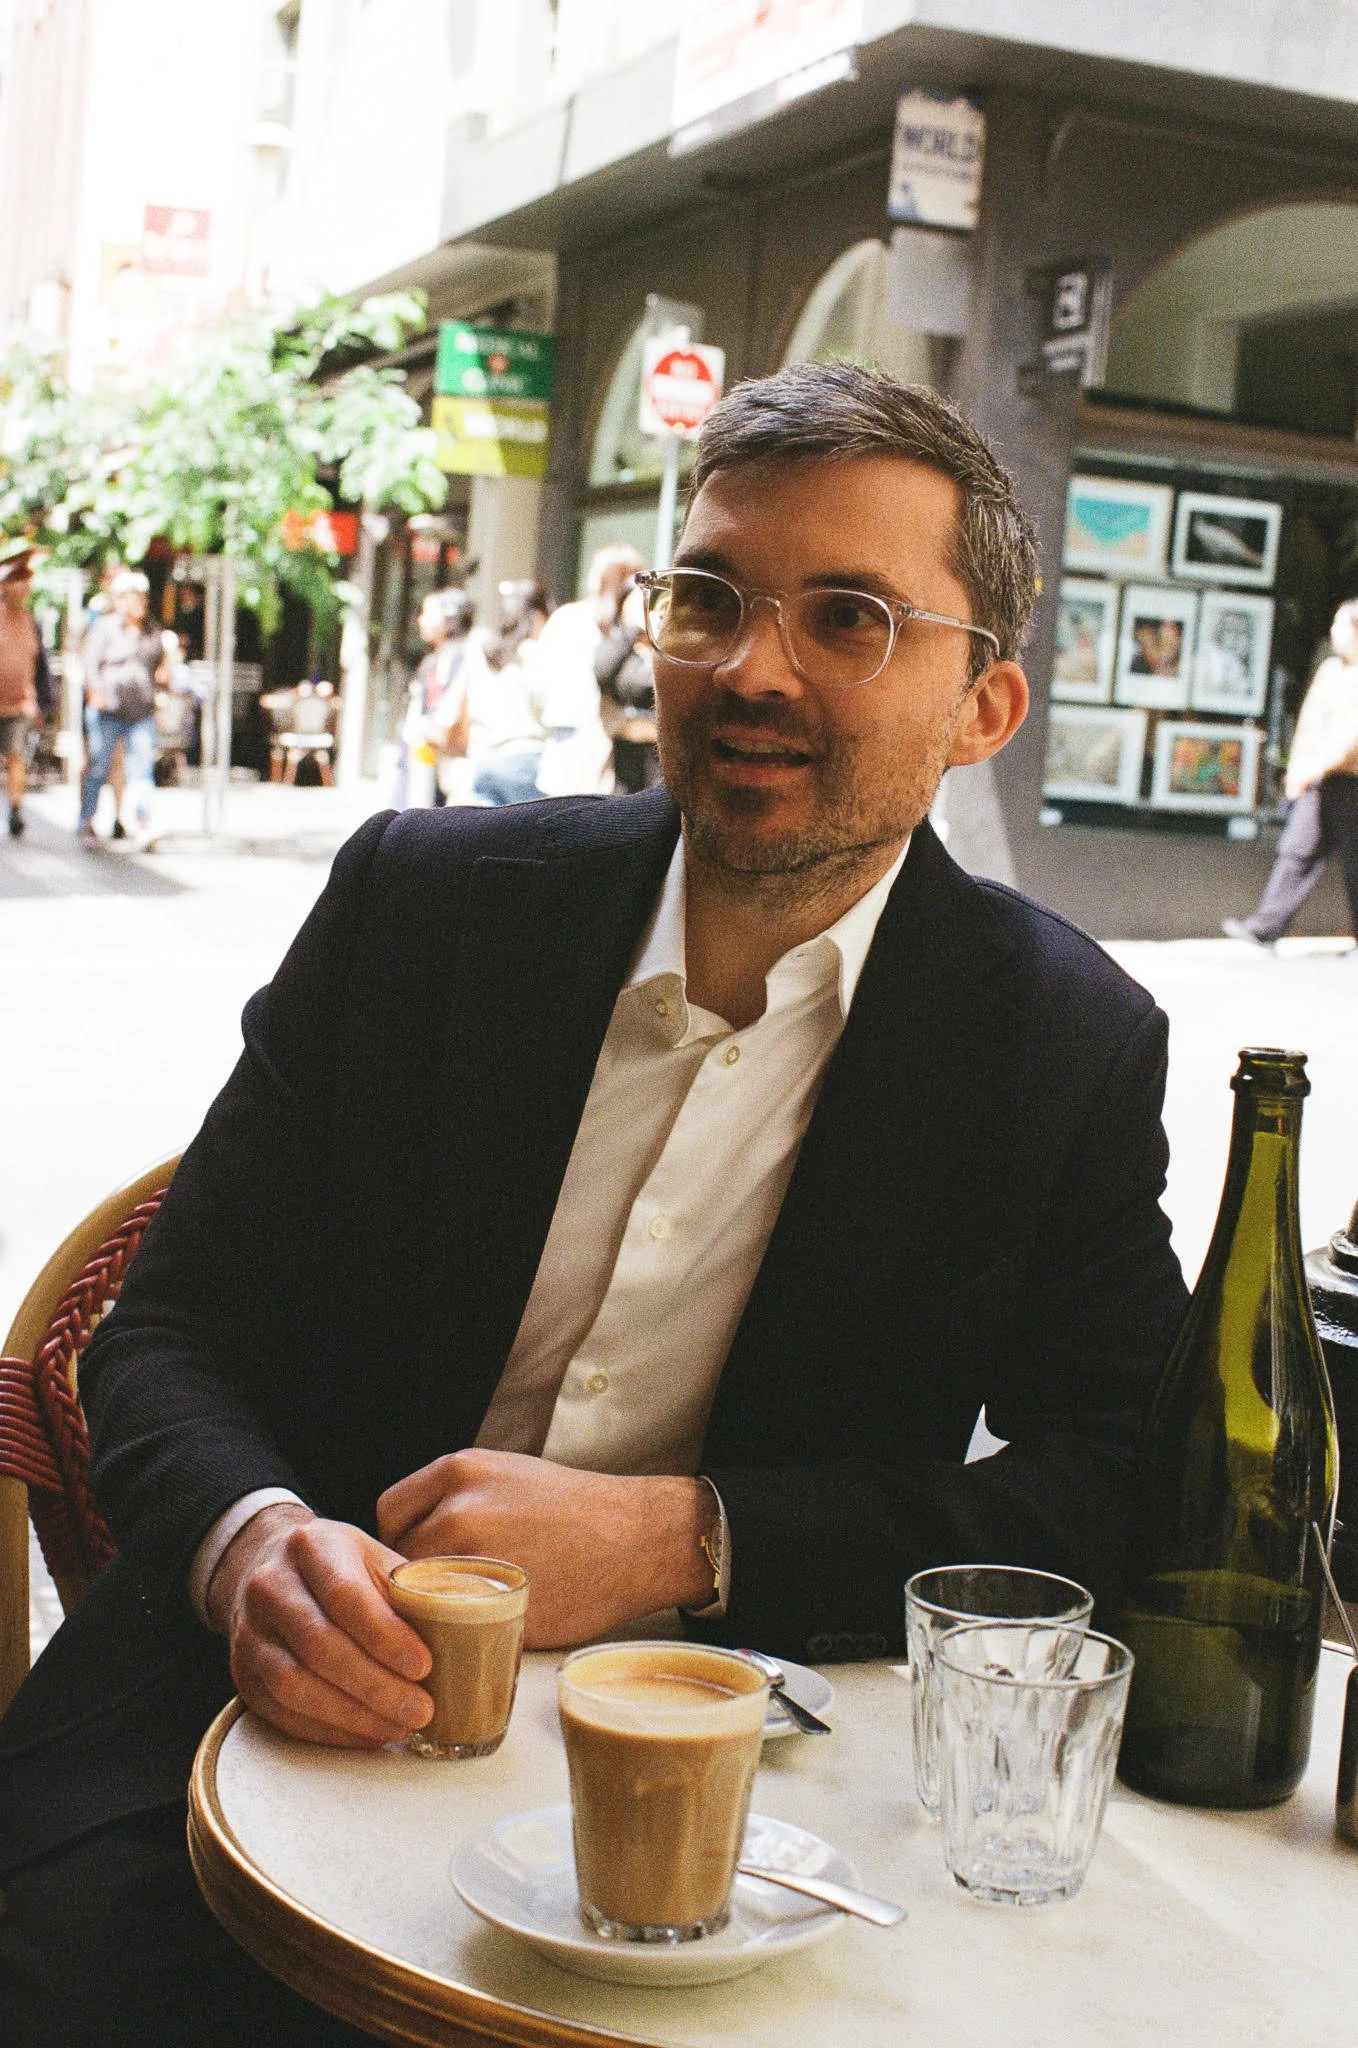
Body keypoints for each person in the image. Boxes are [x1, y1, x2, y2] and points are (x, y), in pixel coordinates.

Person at [0, 362, 1189, 2047]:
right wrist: (248, 1541)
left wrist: (688, 1539)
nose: (747, 669)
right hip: (262, 1719)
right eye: (706, 597)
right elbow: (172, 1322)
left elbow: (1118, 1478)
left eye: (844, 617)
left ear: (979, 705)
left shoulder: (1052, 1041)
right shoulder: (426, 908)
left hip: (757, 1790)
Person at [1223, 597, 1358, 946]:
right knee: (1296, 850)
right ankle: (1265, 927)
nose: (1333, 632)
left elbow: (1351, 737)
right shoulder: (1330, 671)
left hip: (1350, 781)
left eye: (1339, 625)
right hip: (1317, 780)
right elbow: (1310, 723)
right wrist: (1298, 765)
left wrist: (1314, 767)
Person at [534, 543, 644, 797]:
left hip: (561, 741)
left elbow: (538, 685)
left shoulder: (565, 617)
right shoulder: (622, 628)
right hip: (600, 744)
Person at [77, 569, 167, 848]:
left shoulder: (152, 632)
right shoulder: (104, 627)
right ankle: (87, 821)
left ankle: (144, 823)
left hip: (140, 712)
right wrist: (96, 693)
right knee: (98, 768)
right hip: (107, 710)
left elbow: (159, 668)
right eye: (132, 597)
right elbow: (90, 664)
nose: (137, 603)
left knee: (141, 770)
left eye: (141, 597)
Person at [465, 579, 550, 805]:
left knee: (485, 835)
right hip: (523, 758)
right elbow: (546, 704)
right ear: (538, 616)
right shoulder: (533, 653)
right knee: (526, 836)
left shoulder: (484, 649)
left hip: (484, 756)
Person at [398, 587, 476, 808]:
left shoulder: (457, 656)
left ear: (449, 618)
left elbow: (447, 711)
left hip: (440, 755)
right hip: (428, 752)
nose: (421, 620)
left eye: (428, 613)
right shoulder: (442, 656)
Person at [0, 545, 54, 839]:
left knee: (16, 757)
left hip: (20, 704)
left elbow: (40, 666)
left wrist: (42, 703)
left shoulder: (32, 623)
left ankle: (16, 809)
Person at [594, 578, 661, 793]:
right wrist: (632, 629)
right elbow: (602, 672)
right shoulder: (621, 645)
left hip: (659, 757)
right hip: (624, 757)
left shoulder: (665, 648)